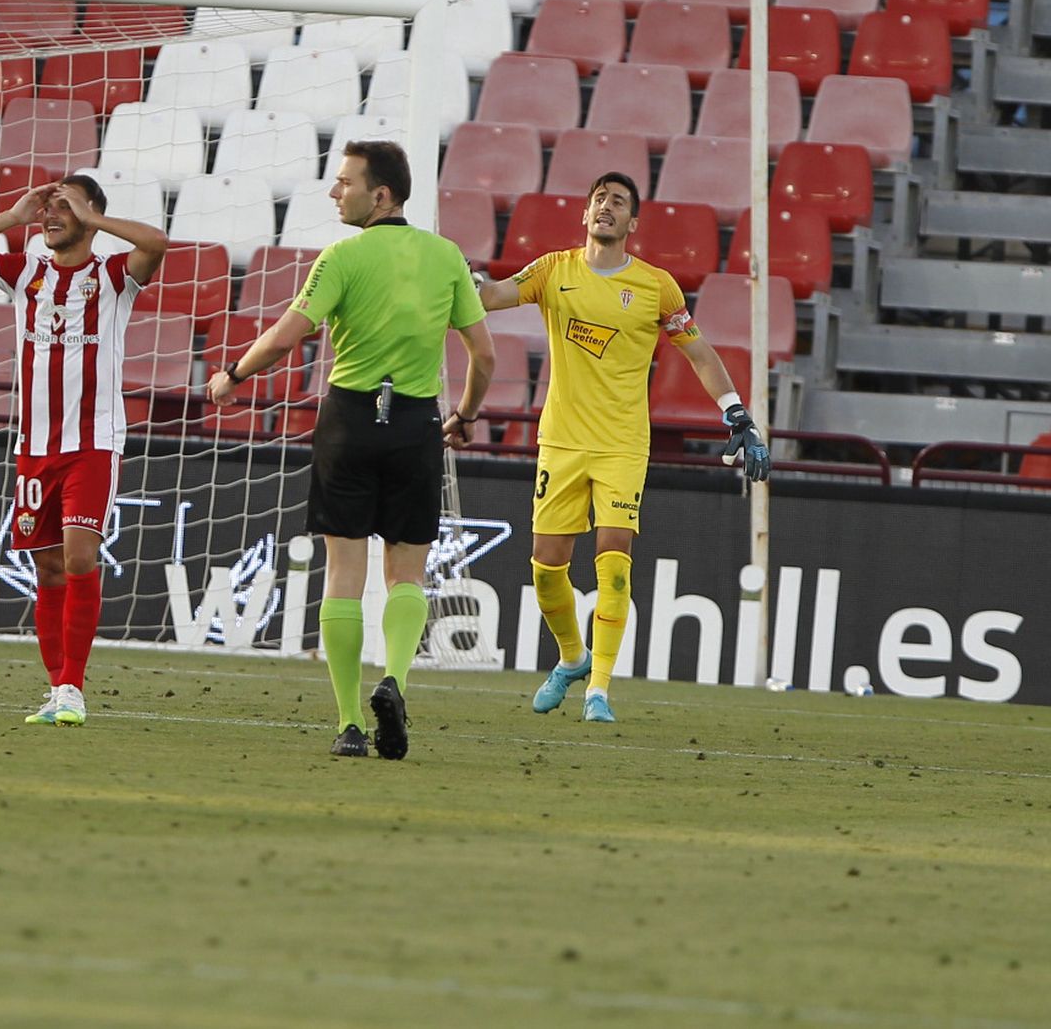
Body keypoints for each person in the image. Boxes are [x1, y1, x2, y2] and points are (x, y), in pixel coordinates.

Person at [208, 141, 495, 760]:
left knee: (343, 574)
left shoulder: (341, 256)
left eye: (345, 182)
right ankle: (394, 680)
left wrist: (232, 375)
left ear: (381, 194)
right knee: (408, 575)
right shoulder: (446, 257)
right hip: (416, 423)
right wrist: (465, 415)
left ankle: (347, 724)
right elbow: (485, 355)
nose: (336, 192)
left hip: (349, 421)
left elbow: (288, 336)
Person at [476, 172, 770, 724]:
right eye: (598, 199)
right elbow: (492, 297)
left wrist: (735, 410)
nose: (605, 206)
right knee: (546, 568)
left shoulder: (657, 287)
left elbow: (701, 352)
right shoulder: (551, 271)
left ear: (633, 223)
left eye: (617, 202)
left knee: (613, 563)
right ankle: (572, 659)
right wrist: (461, 279)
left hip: (622, 445)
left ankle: (600, 690)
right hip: (561, 440)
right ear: (585, 216)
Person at [0, 176, 168, 727]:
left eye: (64, 208)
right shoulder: (26, 274)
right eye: (49, 208)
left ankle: (73, 687)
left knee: (80, 557)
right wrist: (13, 217)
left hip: (93, 443)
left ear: (90, 213)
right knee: (48, 570)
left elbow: (156, 244)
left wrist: (93, 218)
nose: (50, 216)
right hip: (35, 449)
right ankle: (58, 689)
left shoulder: (113, 276)